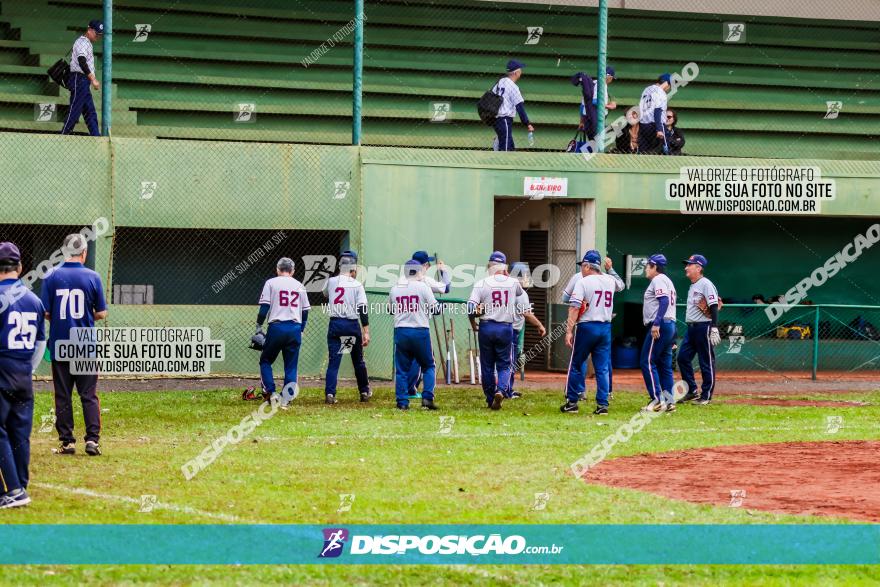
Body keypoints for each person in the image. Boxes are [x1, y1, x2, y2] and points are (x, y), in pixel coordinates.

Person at [40, 234, 107, 456]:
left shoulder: (51, 276)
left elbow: (47, 312)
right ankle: (93, 441)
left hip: (60, 343)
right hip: (84, 344)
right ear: (84, 253)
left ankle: (67, 442)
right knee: (88, 394)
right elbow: (101, 313)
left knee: (63, 394)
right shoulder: (93, 277)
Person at [0, 243, 46, 508]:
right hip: (23, 372)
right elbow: (41, 342)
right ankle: (20, 486)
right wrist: (27, 369)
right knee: (19, 432)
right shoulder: (35, 300)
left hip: (2, 367)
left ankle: (15, 490)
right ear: (19, 268)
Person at [561, 251, 625, 415]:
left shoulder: (584, 282)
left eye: (583, 265)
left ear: (588, 266)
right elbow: (621, 285)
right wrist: (610, 269)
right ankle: (602, 405)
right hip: (605, 327)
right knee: (602, 368)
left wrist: (568, 331)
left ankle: (572, 402)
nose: (582, 269)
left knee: (576, 364)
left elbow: (574, 307)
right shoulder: (610, 280)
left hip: (587, 327)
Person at [467, 251, 524, 410]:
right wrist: (508, 276)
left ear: (489, 266)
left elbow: (471, 308)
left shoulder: (482, 283)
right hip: (505, 327)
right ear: (505, 266)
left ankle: (490, 397)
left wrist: (473, 322)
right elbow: (520, 292)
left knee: (487, 366)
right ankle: (501, 390)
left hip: (486, 326)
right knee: (505, 365)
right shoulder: (513, 283)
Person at [257, 257, 310, 406]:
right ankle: (286, 398)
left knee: (265, 361)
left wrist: (258, 326)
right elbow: (305, 311)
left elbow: (264, 308)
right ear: (292, 271)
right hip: (294, 328)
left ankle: (271, 393)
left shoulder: (271, 282)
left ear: (278, 269)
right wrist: (302, 329)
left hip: (277, 327)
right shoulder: (300, 285)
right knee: (291, 365)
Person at [389, 260, 440, 410]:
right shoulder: (423, 287)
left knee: (402, 369)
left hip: (401, 331)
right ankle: (427, 399)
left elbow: (390, 309)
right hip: (420, 330)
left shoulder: (395, 289)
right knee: (429, 365)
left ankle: (402, 402)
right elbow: (435, 309)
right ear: (418, 271)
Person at [322, 250, 371, 404]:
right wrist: (366, 332)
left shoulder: (331, 282)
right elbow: (363, 309)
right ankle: (364, 391)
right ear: (353, 269)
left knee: (334, 362)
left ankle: (330, 394)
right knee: (358, 361)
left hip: (336, 324)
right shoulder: (357, 285)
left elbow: (325, 294)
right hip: (350, 326)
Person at [404, 250, 450, 396]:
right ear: (423, 266)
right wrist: (444, 271)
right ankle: (411, 389)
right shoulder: (425, 280)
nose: (429, 266)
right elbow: (446, 288)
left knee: (406, 361)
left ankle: (407, 389)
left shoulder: (401, 279)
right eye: (428, 264)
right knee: (422, 361)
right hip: (420, 325)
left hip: (402, 325)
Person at [677, 255, 721, 405]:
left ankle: (706, 395)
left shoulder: (706, 283)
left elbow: (714, 305)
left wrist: (714, 327)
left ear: (699, 268)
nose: (686, 267)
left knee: (706, 362)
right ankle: (691, 391)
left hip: (704, 326)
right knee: (682, 358)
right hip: (692, 328)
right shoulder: (693, 285)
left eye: (690, 264)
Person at [640, 254, 677, 412]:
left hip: (660, 324)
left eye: (648, 265)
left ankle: (657, 400)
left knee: (647, 361)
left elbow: (664, 301)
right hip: (670, 324)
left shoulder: (658, 279)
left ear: (655, 266)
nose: (646, 269)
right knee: (664, 365)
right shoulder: (668, 281)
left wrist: (656, 323)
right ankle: (669, 401)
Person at [508, 263, 546, 399]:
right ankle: (506, 390)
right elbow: (527, 314)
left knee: (503, 361)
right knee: (509, 362)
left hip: (500, 328)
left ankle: (502, 389)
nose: (526, 278)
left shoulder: (504, 288)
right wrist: (540, 325)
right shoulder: (521, 293)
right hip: (511, 331)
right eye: (525, 275)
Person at [60, 19, 104, 136]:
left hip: (83, 81)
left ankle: (96, 137)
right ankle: (63, 136)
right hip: (79, 79)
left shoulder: (86, 43)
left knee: (90, 112)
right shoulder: (82, 42)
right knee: (75, 110)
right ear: (89, 30)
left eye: (100, 34)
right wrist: (93, 79)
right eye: (97, 33)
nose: (98, 36)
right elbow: (81, 60)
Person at [491, 60, 534, 152]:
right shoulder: (513, 87)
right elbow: (520, 107)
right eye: (520, 70)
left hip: (496, 118)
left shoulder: (500, 82)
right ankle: (501, 160)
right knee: (505, 148)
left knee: (509, 145)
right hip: (504, 119)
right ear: (516, 72)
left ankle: (498, 143)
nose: (521, 71)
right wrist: (527, 123)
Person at [575, 66, 617, 140]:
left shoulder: (592, 83)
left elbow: (582, 105)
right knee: (597, 142)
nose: (612, 80)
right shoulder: (602, 85)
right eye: (612, 78)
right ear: (609, 77)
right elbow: (595, 102)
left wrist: (581, 121)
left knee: (592, 141)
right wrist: (610, 106)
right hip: (596, 118)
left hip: (586, 117)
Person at [638, 74, 672, 154]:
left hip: (644, 125)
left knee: (644, 151)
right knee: (665, 151)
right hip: (656, 125)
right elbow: (657, 110)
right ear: (666, 83)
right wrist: (659, 129)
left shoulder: (647, 89)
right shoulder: (661, 92)